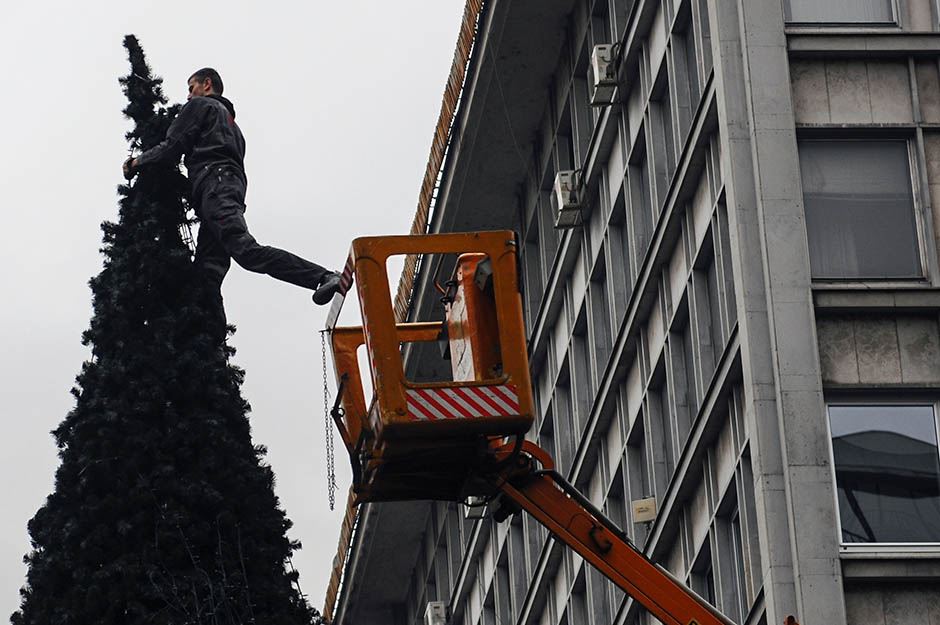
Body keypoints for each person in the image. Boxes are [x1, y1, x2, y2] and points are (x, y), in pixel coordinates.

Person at [123, 68, 341, 330]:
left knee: (246, 251)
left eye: (191, 87)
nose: (188, 95)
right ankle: (211, 336)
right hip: (224, 189)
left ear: (206, 85)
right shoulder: (231, 126)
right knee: (208, 273)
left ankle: (323, 277)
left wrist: (137, 161)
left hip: (216, 187)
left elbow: (172, 146)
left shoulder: (200, 106)